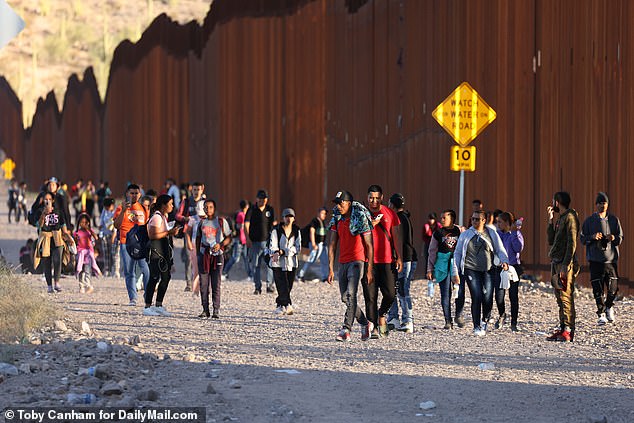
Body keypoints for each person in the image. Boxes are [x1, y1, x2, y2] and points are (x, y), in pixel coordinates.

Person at [327, 190, 374, 342]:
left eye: (341, 203)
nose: (339, 206)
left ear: (348, 203)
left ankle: (346, 329)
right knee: (344, 298)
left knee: (351, 294)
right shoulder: (337, 219)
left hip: (357, 261)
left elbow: (369, 245)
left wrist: (369, 269)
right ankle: (366, 323)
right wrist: (330, 268)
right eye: (337, 204)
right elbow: (332, 244)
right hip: (342, 262)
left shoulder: (359, 218)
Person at [454, 210, 509, 336]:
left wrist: (504, 261)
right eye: (473, 219)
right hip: (470, 269)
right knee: (476, 295)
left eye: (477, 219)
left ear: (484, 220)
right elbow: (457, 253)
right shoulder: (466, 235)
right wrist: (455, 271)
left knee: (488, 297)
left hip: (488, 270)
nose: (474, 221)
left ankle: (485, 320)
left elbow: (500, 249)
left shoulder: (491, 233)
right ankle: (476, 326)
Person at [580, 192, 623, 325]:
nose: (602, 205)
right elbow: (582, 238)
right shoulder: (589, 221)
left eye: (604, 203)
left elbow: (620, 238)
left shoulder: (614, 220)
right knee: (597, 289)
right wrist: (592, 237)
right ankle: (601, 313)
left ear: (607, 204)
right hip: (595, 260)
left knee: (613, 288)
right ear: (596, 205)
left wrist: (613, 238)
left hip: (611, 260)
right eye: (600, 203)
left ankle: (609, 306)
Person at [366, 185, 402, 338]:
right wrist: (370, 224)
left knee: (390, 293)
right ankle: (374, 326)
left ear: (381, 197)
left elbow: (396, 236)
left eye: (376, 198)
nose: (373, 201)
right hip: (368, 261)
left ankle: (382, 315)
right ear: (367, 198)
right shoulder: (362, 214)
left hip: (387, 260)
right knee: (371, 296)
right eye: (371, 198)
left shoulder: (390, 213)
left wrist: (399, 256)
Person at [546, 191, 580, 342]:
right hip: (556, 262)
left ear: (557, 202)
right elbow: (551, 240)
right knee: (559, 297)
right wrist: (550, 221)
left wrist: (566, 264)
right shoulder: (561, 218)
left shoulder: (571, 217)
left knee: (566, 296)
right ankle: (562, 328)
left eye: (553, 201)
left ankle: (568, 330)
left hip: (564, 264)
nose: (553, 204)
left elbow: (572, 243)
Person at [143, 194, 182, 316]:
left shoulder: (163, 217)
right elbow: (152, 235)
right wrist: (169, 232)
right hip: (155, 251)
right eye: (170, 204)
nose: (172, 206)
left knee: (166, 277)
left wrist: (170, 232)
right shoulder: (156, 217)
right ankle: (147, 306)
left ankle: (158, 304)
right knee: (154, 277)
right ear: (164, 205)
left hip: (163, 252)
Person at [113, 184, 150, 306]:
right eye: (131, 193)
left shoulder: (144, 208)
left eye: (136, 193)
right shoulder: (120, 208)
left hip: (141, 243)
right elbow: (116, 226)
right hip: (125, 242)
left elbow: (147, 226)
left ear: (140, 195)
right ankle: (133, 298)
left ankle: (147, 296)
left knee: (146, 270)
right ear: (127, 194)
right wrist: (123, 211)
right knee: (129, 272)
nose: (134, 195)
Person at [386, 193, 418, 333]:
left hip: (403, 259)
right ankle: (393, 318)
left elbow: (397, 241)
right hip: (402, 259)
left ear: (392, 205)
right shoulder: (403, 217)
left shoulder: (399, 219)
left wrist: (397, 257)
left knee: (403, 290)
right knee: (392, 289)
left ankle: (408, 320)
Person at [195, 199, 232, 319]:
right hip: (204, 254)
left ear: (214, 208)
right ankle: (205, 309)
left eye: (210, 207)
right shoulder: (201, 223)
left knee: (216, 283)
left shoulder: (221, 221)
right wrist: (198, 255)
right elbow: (198, 239)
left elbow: (229, 237)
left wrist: (220, 245)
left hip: (218, 254)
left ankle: (216, 309)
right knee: (204, 284)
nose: (208, 209)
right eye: (206, 207)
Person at [426, 209, 462, 329]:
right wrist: (429, 269)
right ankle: (448, 320)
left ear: (452, 219)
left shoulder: (460, 231)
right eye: (440, 218)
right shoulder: (438, 233)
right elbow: (432, 251)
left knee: (459, 291)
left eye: (444, 218)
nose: (441, 220)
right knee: (445, 293)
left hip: (457, 263)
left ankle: (458, 314)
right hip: (442, 265)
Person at [33, 192, 70, 293]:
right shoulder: (39, 212)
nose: (47, 201)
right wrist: (44, 214)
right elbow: (39, 225)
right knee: (46, 262)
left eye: (49, 199)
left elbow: (64, 227)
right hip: (45, 238)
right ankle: (49, 286)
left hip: (57, 238)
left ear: (53, 200)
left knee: (57, 260)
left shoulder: (59, 212)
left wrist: (69, 238)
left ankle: (57, 283)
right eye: (45, 199)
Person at [494, 212, 525, 331]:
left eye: (500, 222)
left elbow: (518, 248)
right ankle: (502, 314)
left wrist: (515, 233)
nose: (498, 224)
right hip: (500, 267)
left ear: (507, 223)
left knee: (513, 296)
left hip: (513, 268)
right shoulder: (496, 235)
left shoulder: (515, 234)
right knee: (499, 295)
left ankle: (514, 322)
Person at [270, 208, 302, 315]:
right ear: (283, 218)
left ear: (294, 218)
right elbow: (273, 245)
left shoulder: (297, 231)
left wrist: (284, 251)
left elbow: (298, 247)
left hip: (292, 263)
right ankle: (287, 304)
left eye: (291, 216)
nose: (289, 219)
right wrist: (276, 252)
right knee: (281, 285)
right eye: (286, 216)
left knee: (289, 285)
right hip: (278, 263)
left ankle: (280, 304)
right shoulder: (276, 230)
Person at [176, 181, 206, 291]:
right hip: (188, 232)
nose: (196, 192)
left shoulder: (205, 203)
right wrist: (186, 218)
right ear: (191, 190)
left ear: (202, 189)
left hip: (202, 233)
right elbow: (178, 215)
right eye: (194, 190)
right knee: (189, 258)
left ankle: (200, 281)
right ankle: (188, 283)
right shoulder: (187, 202)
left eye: (198, 190)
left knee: (202, 258)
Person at [245, 189, 275, 294]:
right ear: (257, 199)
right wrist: (247, 238)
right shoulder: (252, 210)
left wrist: (273, 240)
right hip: (255, 242)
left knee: (270, 264)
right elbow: (246, 224)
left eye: (265, 199)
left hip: (267, 242)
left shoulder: (270, 210)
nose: (263, 201)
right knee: (256, 265)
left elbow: (272, 225)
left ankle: (269, 285)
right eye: (261, 199)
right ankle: (257, 287)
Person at [298, 207, 329, 283]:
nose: (324, 215)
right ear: (318, 213)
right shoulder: (315, 221)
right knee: (312, 259)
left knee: (324, 261)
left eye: (325, 213)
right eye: (322, 213)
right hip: (316, 244)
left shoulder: (323, 222)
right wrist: (313, 243)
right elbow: (312, 231)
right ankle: (300, 275)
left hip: (323, 245)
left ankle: (325, 277)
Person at [74, 213, 101, 293]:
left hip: (88, 253)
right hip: (80, 253)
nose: (83, 224)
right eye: (82, 222)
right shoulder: (77, 232)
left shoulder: (90, 232)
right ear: (79, 223)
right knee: (80, 270)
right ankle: (81, 286)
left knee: (87, 269)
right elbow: (74, 242)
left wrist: (89, 229)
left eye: (85, 222)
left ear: (88, 223)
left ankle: (88, 285)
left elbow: (96, 238)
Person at [223, 200, 250, 279]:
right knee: (235, 258)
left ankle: (250, 275)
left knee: (245, 258)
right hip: (240, 239)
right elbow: (241, 229)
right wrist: (243, 239)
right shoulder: (241, 215)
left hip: (243, 239)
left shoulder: (241, 214)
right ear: (245, 206)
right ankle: (224, 272)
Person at [99, 198, 116, 277]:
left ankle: (114, 270)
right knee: (106, 253)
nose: (106, 209)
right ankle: (107, 269)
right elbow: (101, 221)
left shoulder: (115, 212)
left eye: (107, 207)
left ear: (112, 206)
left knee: (113, 253)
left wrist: (113, 236)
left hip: (113, 235)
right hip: (105, 234)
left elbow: (116, 225)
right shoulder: (104, 211)